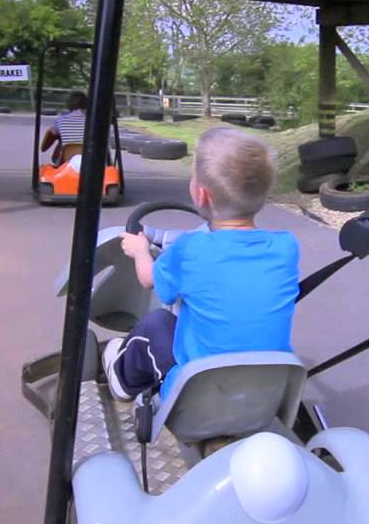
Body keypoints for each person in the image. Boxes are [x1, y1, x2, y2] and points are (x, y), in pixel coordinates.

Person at [102, 127, 299, 402]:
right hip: (267, 392)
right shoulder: (287, 247)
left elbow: (148, 279)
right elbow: (227, 252)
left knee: (157, 323)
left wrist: (140, 251)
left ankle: (123, 379)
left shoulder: (189, 249)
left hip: (197, 397)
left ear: (201, 196)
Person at [40, 90, 88, 166]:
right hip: (90, 160)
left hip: (66, 160)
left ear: (68, 103)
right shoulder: (93, 121)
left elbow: (44, 147)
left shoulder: (60, 119)